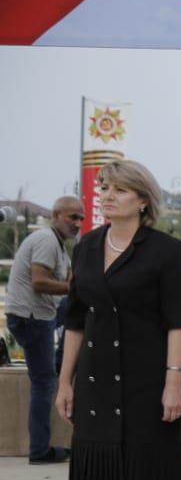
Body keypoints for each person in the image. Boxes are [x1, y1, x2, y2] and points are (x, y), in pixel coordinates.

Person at [54, 161, 181, 480]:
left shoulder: (166, 251)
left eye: (118, 190)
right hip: (96, 382)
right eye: (105, 189)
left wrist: (174, 383)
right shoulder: (87, 247)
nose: (107, 196)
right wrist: (64, 381)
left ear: (142, 199)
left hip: (148, 384)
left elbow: (178, 321)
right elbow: (76, 319)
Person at [6, 195, 84, 464]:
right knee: (45, 383)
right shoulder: (47, 241)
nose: (78, 223)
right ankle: (39, 449)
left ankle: (67, 360)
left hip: (37, 315)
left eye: (81, 218)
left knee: (81, 315)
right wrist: (76, 289)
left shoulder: (58, 245)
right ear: (55, 216)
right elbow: (39, 282)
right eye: (72, 217)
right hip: (31, 317)